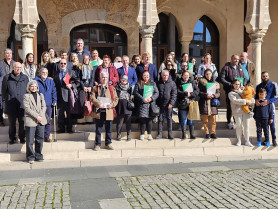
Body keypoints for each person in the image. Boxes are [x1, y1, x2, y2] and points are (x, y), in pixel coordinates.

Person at [2, 62, 29, 144]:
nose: (19, 69)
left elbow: (28, 90)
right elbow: (3, 91)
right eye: (17, 67)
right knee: (12, 122)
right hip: (11, 104)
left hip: (22, 104)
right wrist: (6, 100)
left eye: (20, 68)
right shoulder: (7, 77)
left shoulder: (25, 77)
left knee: (22, 122)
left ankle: (22, 137)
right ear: (13, 68)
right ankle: (12, 138)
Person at [91, 71, 119, 151]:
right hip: (99, 111)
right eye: (103, 77)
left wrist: (112, 104)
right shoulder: (95, 88)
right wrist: (98, 103)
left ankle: (108, 143)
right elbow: (92, 98)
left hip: (108, 111)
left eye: (106, 77)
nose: (104, 79)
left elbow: (116, 99)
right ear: (100, 78)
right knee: (98, 129)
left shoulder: (111, 88)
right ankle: (97, 144)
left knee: (109, 128)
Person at [23, 80, 47, 164]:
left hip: (41, 120)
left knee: (39, 139)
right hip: (31, 120)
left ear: (37, 87)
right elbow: (27, 108)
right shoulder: (26, 96)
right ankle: (30, 156)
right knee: (29, 140)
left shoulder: (41, 95)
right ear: (29, 87)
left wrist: (40, 116)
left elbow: (44, 106)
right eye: (31, 86)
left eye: (35, 86)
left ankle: (38, 155)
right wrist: (37, 116)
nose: (33, 88)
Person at [53, 59, 79, 133]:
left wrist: (71, 85)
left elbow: (78, 82)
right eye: (61, 63)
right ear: (59, 64)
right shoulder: (55, 73)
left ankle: (69, 128)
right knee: (60, 113)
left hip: (68, 95)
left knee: (69, 113)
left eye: (64, 63)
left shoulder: (71, 72)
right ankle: (61, 128)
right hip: (58, 95)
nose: (63, 65)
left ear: (67, 64)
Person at [220, 54, 246, 129]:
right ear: (231, 59)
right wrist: (231, 84)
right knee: (229, 107)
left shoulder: (240, 68)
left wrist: (243, 84)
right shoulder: (226, 67)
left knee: (237, 105)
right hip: (229, 90)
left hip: (238, 91)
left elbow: (243, 78)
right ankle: (228, 121)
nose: (236, 60)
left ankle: (235, 121)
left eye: (237, 59)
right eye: (235, 59)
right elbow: (222, 79)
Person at [134, 71, 159, 140]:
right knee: (142, 120)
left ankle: (149, 134)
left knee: (149, 120)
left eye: (147, 75)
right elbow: (136, 93)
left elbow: (157, 93)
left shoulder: (153, 83)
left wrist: (151, 98)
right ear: (142, 76)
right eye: (144, 75)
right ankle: (142, 134)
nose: (146, 77)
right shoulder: (138, 83)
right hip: (142, 104)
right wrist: (142, 99)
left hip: (150, 104)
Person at [228, 79, 254, 147]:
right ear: (233, 85)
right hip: (237, 111)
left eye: (238, 84)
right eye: (236, 84)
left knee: (246, 126)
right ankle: (239, 140)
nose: (237, 85)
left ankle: (247, 141)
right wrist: (246, 101)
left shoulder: (243, 91)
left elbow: (250, 97)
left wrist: (252, 102)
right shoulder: (231, 93)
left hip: (246, 111)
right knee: (239, 126)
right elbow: (235, 101)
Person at [255, 71, 278, 146]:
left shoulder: (273, 84)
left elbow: (276, 96)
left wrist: (268, 101)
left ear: (268, 76)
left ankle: (274, 139)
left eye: (266, 76)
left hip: (270, 106)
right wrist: (256, 101)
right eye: (263, 76)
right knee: (262, 126)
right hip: (261, 108)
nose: (265, 77)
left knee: (271, 123)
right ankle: (264, 140)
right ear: (261, 77)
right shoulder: (258, 86)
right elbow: (256, 97)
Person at [35, 68, 57, 142]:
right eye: (43, 72)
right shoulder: (35, 81)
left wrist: (54, 100)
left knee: (47, 120)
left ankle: (46, 136)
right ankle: (38, 136)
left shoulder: (51, 81)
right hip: (39, 105)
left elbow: (54, 91)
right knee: (38, 121)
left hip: (48, 104)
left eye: (46, 73)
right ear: (40, 73)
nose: (44, 74)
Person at [198, 69, 220, 139]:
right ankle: (207, 132)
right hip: (204, 102)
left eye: (209, 74)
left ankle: (213, 132)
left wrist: (214, 95)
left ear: (212, 74)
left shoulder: (215, 83)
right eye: (207, 74)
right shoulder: (201, 82)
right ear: (204, 75)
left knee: (213, 120)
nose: (208, 75)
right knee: (205, 120)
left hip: (213, 103)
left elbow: (218, 93)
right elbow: (199, 92)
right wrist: (206, 95)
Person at [177, 70, 199, 139]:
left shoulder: (192, 82)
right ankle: (184, 134)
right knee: (183, 119)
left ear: (189, 76)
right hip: (182, 103)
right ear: (182, 76)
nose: (186, 77)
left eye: (187, 75)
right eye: (184, 75)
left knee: (191, 119)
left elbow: (197, 91)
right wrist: (185, 94)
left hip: (191, 103)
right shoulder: (178, 83)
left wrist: (190, 94)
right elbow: (177, 92)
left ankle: (192, 134)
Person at [156, 70, 177, 139]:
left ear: (169, 76)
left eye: (166, 75)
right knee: (160, 119)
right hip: (160, 104)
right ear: (161, 75)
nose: (165, 77)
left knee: (169, 118)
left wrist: (171, 103)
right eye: (164, 75)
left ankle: (170, 133)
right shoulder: (158, 83)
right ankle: (160, 133)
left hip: (169, 104)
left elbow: (174, 94)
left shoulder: (172, 83)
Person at [0, 48, 16, 126]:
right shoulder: (1, 63)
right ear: (4, 54)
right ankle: (1, 120)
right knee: (2, 102)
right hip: (3, 85)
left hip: (13, 85)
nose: (9, 54)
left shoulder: (15, 63)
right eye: (7, 53)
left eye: (10, 53)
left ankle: (12, 119)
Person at [115, 75, 133, 141]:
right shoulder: (117, 87)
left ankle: (129, 134)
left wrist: (132, 96)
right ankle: (118, 134)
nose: (124, 80)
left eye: (126, 79)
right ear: (120, 79)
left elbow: (133, 95)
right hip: (120, 105)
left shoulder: (131, 87)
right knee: (120, 121)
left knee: (128, 121)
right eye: (123, 78)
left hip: (128, 105)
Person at [79, 54, 95, 123]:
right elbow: (79, 79)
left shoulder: (92, 68)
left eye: (87, 59)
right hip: (82, 87)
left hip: (89, 87)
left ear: (89, 60)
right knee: (82, 102)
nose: (86, 60)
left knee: (90, 102)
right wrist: (83, 87)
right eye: (85, 59)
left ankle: (89, 119)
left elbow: (92, 78)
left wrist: (90, 87)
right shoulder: (80, 67)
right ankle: (82, 119)